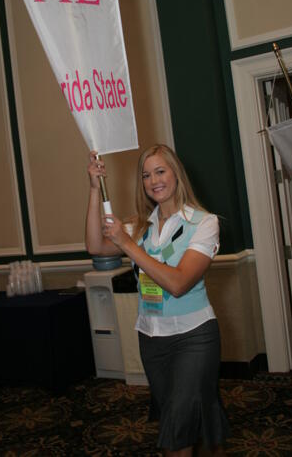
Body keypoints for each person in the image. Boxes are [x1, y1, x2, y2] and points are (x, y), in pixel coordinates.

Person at [85, 144, 230, 456]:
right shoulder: (140, 226)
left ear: (176, 173)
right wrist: (95, 189)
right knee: (175, 423)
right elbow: (95, 245)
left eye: (160, 171)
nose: (153, 181)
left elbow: (178, 283)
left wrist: (127, 245)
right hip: (152, 339)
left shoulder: (204, 223)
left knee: (178, 430)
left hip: (194, 338)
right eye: (146, 175)